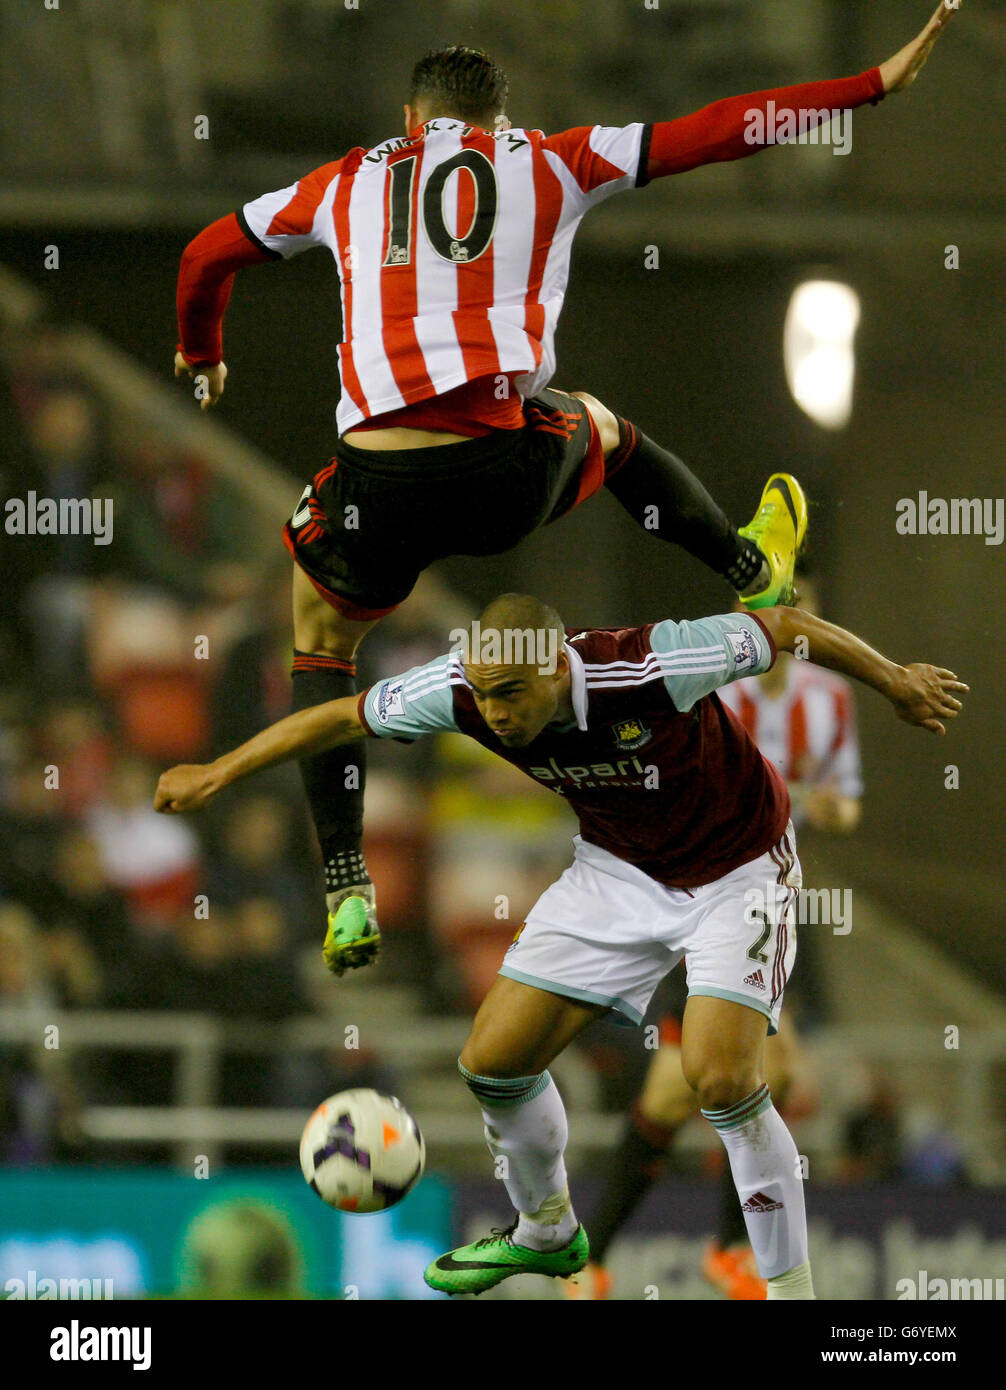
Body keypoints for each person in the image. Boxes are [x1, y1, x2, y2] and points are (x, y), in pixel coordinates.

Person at [172, 7, 956, 972]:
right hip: (507, 476)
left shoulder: (342, 182)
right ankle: (749, 565)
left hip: (380, 480)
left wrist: (200, 353)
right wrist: (867, 86)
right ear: (501, 119)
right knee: (610, 430)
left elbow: (204, 254)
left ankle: (344, 883)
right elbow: (718, 129)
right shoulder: (553, 160)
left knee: (323, 646)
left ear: (409, 118)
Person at [154, 591, 967, 1298]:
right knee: (493, 1060)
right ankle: (546, 1227)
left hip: (737, 868)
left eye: (511, 695)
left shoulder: (650, 663)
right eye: (483, 696)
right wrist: (219, 771)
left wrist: (895, 681)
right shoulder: (467, 692)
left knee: (719, 1079)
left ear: (555, 666)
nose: (496, 715)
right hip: (617, 870)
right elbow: (339, 715)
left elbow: (785, 624)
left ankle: (791, 1290)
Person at [577, 571, 861, 1300]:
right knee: (760, 1071)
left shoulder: (830, 699)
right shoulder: (711, 688)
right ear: (743, 620)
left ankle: (594, 1258)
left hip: (770, 895)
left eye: (800, 614)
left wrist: (828, 810)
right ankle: (723, 1249)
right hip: (697, 892)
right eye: (771, 612)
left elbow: (848, 803)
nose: (787, 627)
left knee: (678, 1094)